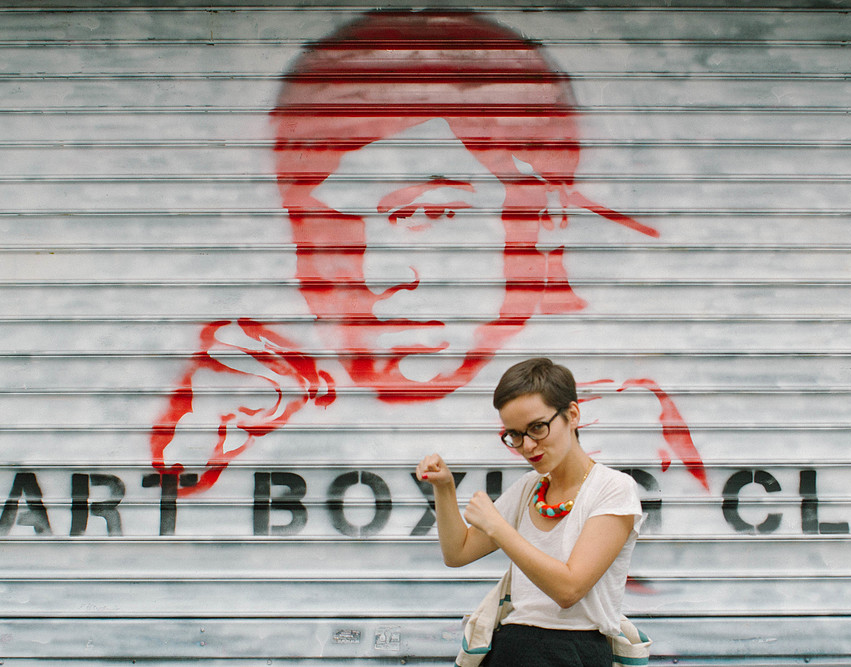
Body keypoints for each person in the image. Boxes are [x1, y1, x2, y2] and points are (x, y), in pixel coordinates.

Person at [150, 10, 706, 497]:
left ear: (548, 220)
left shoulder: (629, 417)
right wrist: (200, 461)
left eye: (426, 214)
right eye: (326, 227)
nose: (376, 273)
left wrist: (649, 496)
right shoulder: (248, 395)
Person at [416, 357, 641, 666]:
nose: (527, 446)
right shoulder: (529, 488)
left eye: (537, 428)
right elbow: (458, 553)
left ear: (572, 415)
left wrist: (499, 528)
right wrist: (445, 489)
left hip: (575, 651)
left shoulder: (613, 488)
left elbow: (569, 589)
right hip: (513, 647)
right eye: (515, 434)